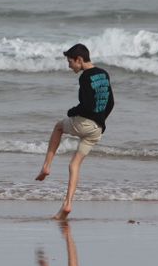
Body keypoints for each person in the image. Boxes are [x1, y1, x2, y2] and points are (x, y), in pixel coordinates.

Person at [35, 43, 114, 220]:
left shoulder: (85, 77)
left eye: (70, 62)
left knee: (58, 126)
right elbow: (110, 103)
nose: (69, 65)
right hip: (97, 129)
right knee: (74, 165)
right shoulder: (103, 73)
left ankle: (46, 166)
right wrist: (101, 121)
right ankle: (67, 204)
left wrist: (71, 112)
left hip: (85, 123)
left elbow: (86, 105)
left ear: (79, 60)